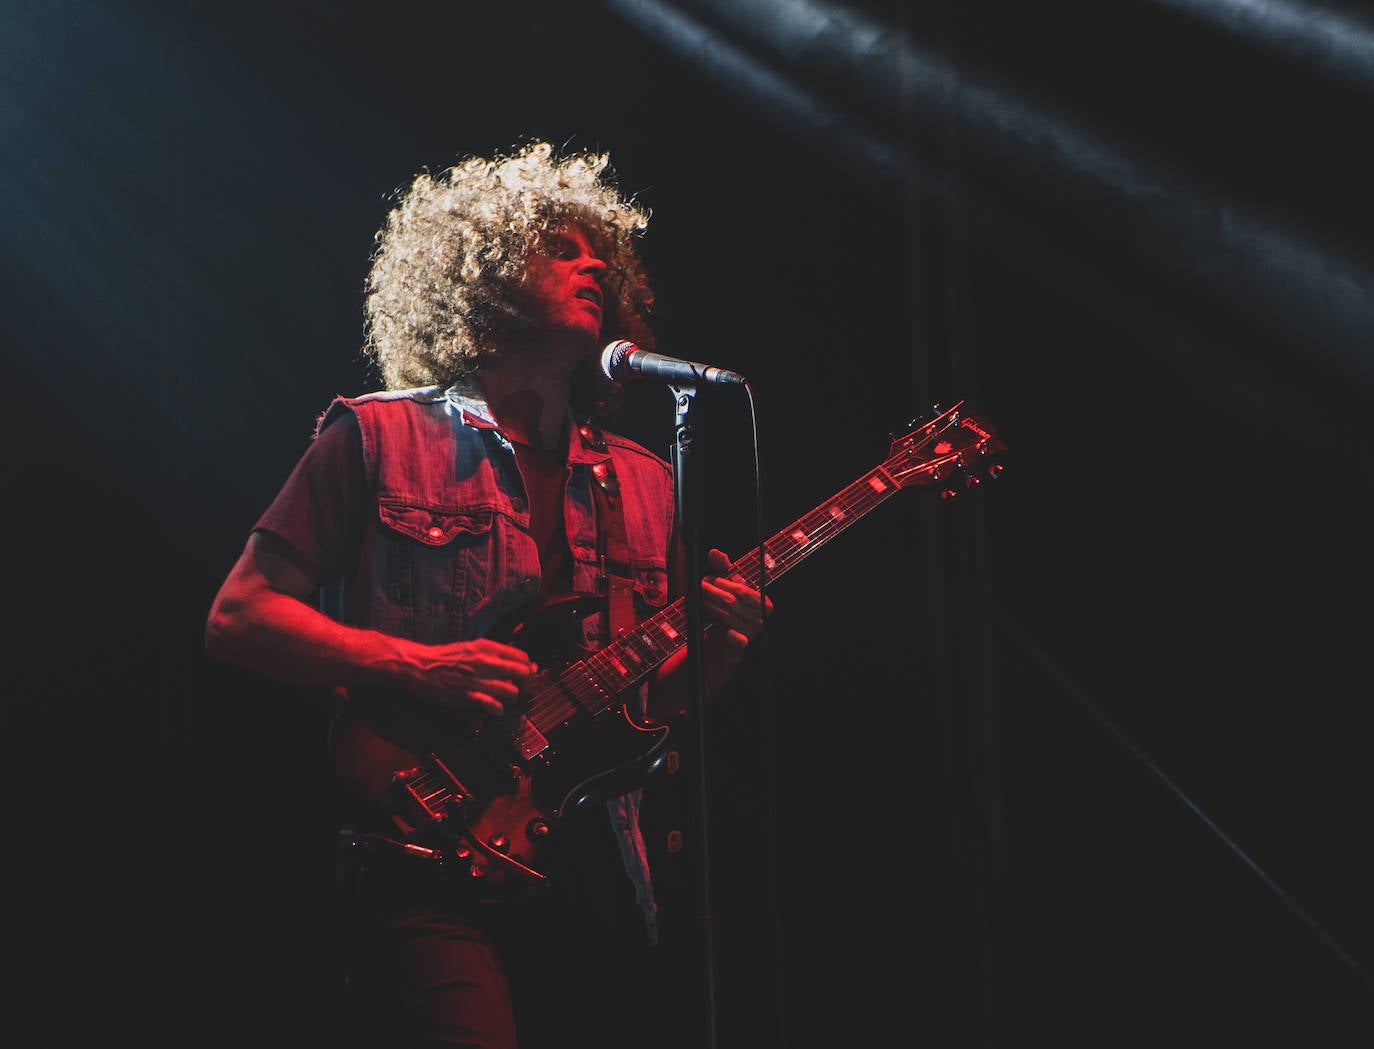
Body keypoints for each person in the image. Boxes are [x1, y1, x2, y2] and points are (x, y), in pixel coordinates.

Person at [203, 139, 771, 1048]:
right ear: (485, 273)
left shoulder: (647, 481)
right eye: (563, 248)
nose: (594, 266)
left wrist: (724, 651)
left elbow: (647, 714)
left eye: (604, 257)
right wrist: (422, 666)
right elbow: (240, 615)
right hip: (423, 854)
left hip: (599, 873)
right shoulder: (378, 436)